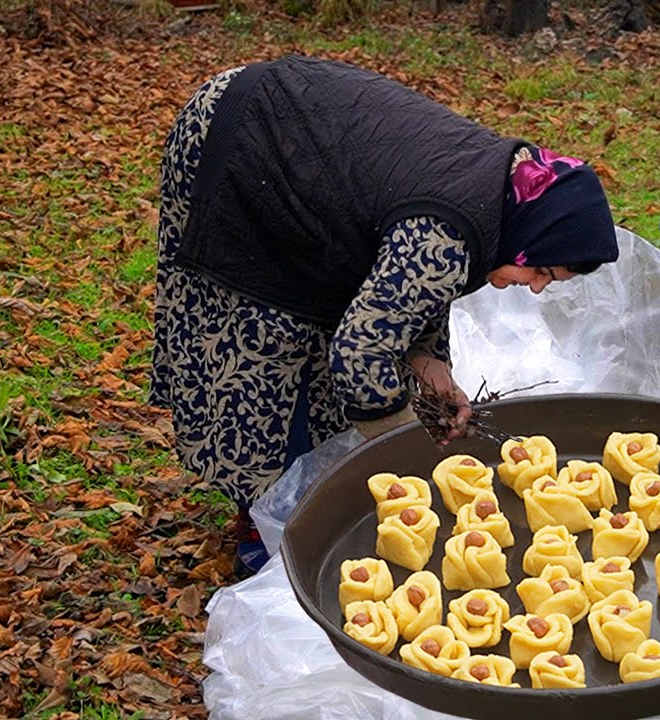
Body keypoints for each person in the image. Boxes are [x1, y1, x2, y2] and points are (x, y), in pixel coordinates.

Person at [149, 55, 618, 575]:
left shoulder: (510, 191)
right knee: (266, 344)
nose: (535, 289)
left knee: (329, 351)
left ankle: (296, 501)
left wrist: (428, 366)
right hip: (242, 141)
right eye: (542, 273)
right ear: (532, 241)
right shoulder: (449, 229)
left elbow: (407, 289)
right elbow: (358, 354)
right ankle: (263, 527)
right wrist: (409, 456)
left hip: (302, 138)